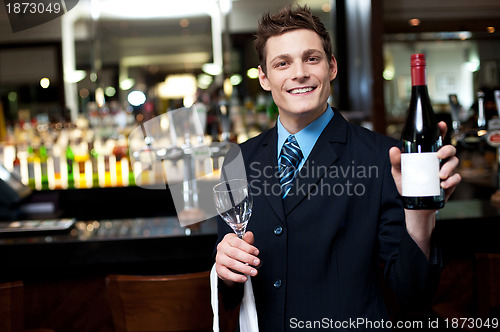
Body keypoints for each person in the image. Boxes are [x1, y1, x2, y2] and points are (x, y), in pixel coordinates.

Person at [214, 5, 461, 331]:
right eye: (282, 63)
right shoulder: (237, 161)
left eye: (311, 58)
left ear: (332, 67)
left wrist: (421, 213)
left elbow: (413, 292)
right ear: (264, 77)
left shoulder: (383, 158)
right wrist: (226, 272)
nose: (299, 72)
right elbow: (231, 287)